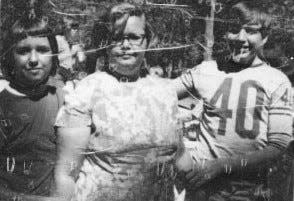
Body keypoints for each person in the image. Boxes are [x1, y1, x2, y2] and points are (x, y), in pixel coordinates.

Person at [54, 3, 181, 201]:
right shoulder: (87, 91)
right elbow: (66, 174)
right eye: (117, 38)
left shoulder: (165, 91)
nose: (125, 45)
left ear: (147, 41)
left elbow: (179, 155)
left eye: (134, 37)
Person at [173, 1, 293, 200]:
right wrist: (179, 152)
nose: (241, 38)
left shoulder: (277, 80)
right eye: (234, 29)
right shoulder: (207, 70)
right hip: (201, 189)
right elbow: (158, 96)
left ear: (265, 37)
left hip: (248, 191)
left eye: (251, 31)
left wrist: (222, 166)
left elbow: (278, 146)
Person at [0, 14, 64, 201]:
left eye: (43, 50)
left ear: (54, 56)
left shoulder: (63, 98)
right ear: (9, 57)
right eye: (23, 51)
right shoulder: (3, 106)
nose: (34, 59)